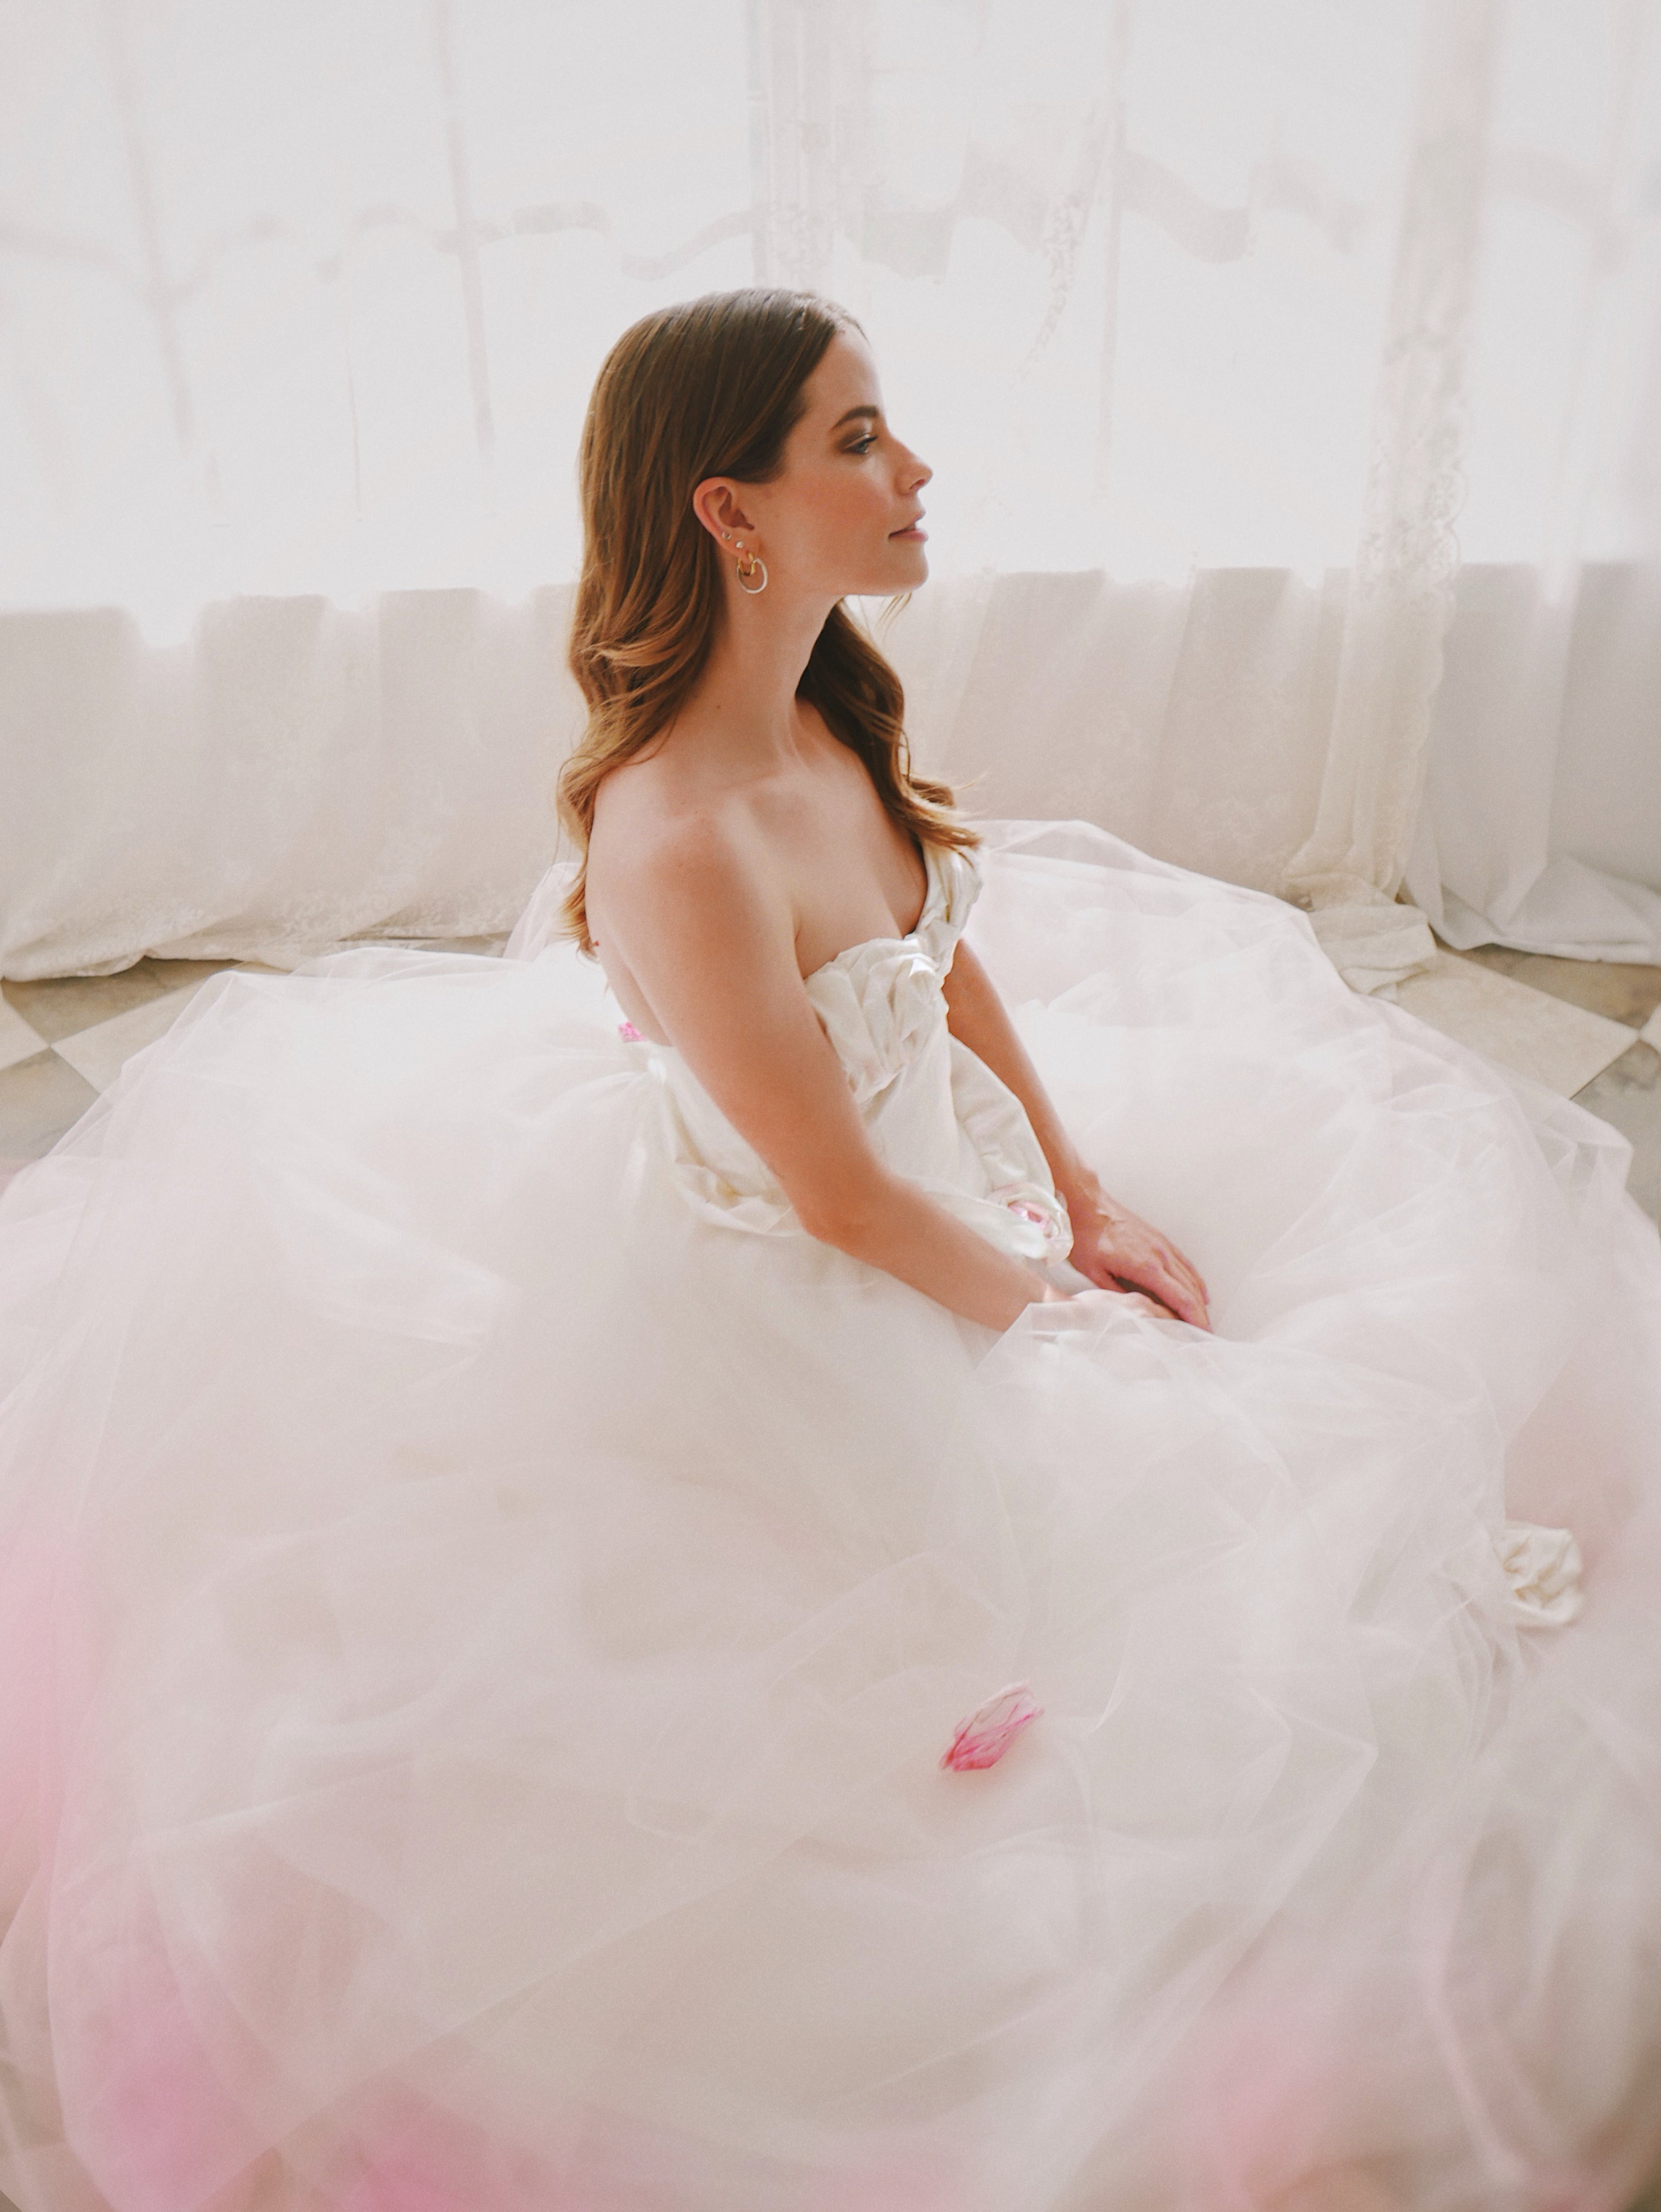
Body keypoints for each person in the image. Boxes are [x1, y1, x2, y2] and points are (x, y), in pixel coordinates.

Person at [0, 288, 1655, 2212]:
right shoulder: (678, 835)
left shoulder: (825, 715)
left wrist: (1083, 1185)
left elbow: (946, 977)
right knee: (1117, 1603)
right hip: (805, 1261)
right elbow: (838, 1202)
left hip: (933, 1176)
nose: (914, 468)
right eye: (858, 436)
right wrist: (1055, 1321)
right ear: (730, 510)